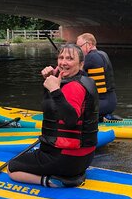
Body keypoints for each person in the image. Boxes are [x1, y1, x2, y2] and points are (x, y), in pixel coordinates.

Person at [8, 44, 99, 188]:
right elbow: (51, 109)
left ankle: (52, 182)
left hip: (65, 159)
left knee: (12, 167)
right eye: (61, 57)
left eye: (69, 59)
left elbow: (70, 120)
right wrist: (50, 82)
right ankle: (72, 174)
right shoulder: (85, 81)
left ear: (81, 64)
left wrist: (55, 89)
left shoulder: (73, 87)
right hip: (85, 159)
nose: (63, 62)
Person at [75, 33, 118, 120]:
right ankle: (104, 116)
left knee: (71, 113)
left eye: (80, 47)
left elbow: (73, 73)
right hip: (111, 102)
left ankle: (100, 117)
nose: (78, 50)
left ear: (89, 45)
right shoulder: (102, 54)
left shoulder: (91, 57)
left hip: (100, 104)